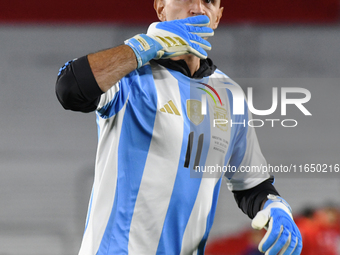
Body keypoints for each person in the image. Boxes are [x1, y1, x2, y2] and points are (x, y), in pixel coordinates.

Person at [55, 0, 303, 254]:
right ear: (161, 8)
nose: (197, 8)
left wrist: (276, 207)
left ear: (217, 17)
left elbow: (252, 185)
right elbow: (69, 88)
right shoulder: (129, 76)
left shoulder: (230, 95)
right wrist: (147, 46)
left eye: (209, 1)